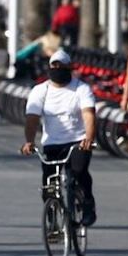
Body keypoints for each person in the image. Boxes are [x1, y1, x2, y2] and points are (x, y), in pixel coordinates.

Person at [21, 49, 98, 226]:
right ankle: (53, 216)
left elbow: (89, 115)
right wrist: (29, 141)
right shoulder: (40, 91)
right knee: (48, 184)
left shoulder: (81, 88)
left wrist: (89, 138)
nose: (57, 69)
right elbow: (32, 119)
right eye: (54, 66)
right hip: (52, 144)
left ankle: (87, 204)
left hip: (78, 142)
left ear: (69, 68)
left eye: (61, 66)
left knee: (79, 172)